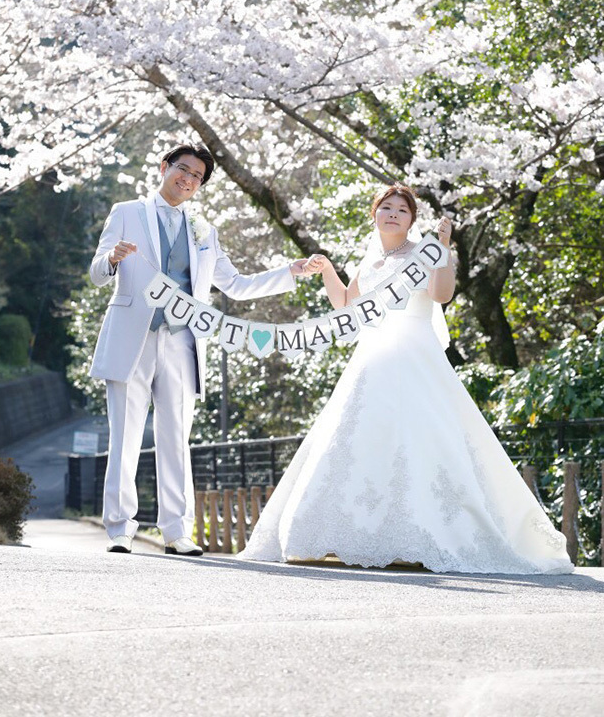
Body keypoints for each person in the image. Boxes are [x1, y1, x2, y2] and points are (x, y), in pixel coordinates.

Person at [239, 184, 573, 574]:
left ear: (412, 220)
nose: (394, 213)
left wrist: (444, 248)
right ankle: (351, 535)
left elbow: (442, 295)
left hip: (416, 354)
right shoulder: (370, 263)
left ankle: (421, 536)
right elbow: (346, 305)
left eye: (402, 209)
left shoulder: (421, 253)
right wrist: (328, 269)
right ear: (375, 214)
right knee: (360, 438)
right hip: (372, 357)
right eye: (387, 207)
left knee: (422, 438)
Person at [89, 143, 308, 555]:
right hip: (131, 338)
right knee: (125, 437)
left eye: (197, 177)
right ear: (164, 167)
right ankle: (120, 528)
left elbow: (235, 285)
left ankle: (177, 532)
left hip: (182, 342)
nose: (188, 179)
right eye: (183, 169)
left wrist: (288, 272)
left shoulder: (203, 229)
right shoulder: (127, 212)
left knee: (176, 439)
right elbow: (97, 272)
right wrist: (112, 260)